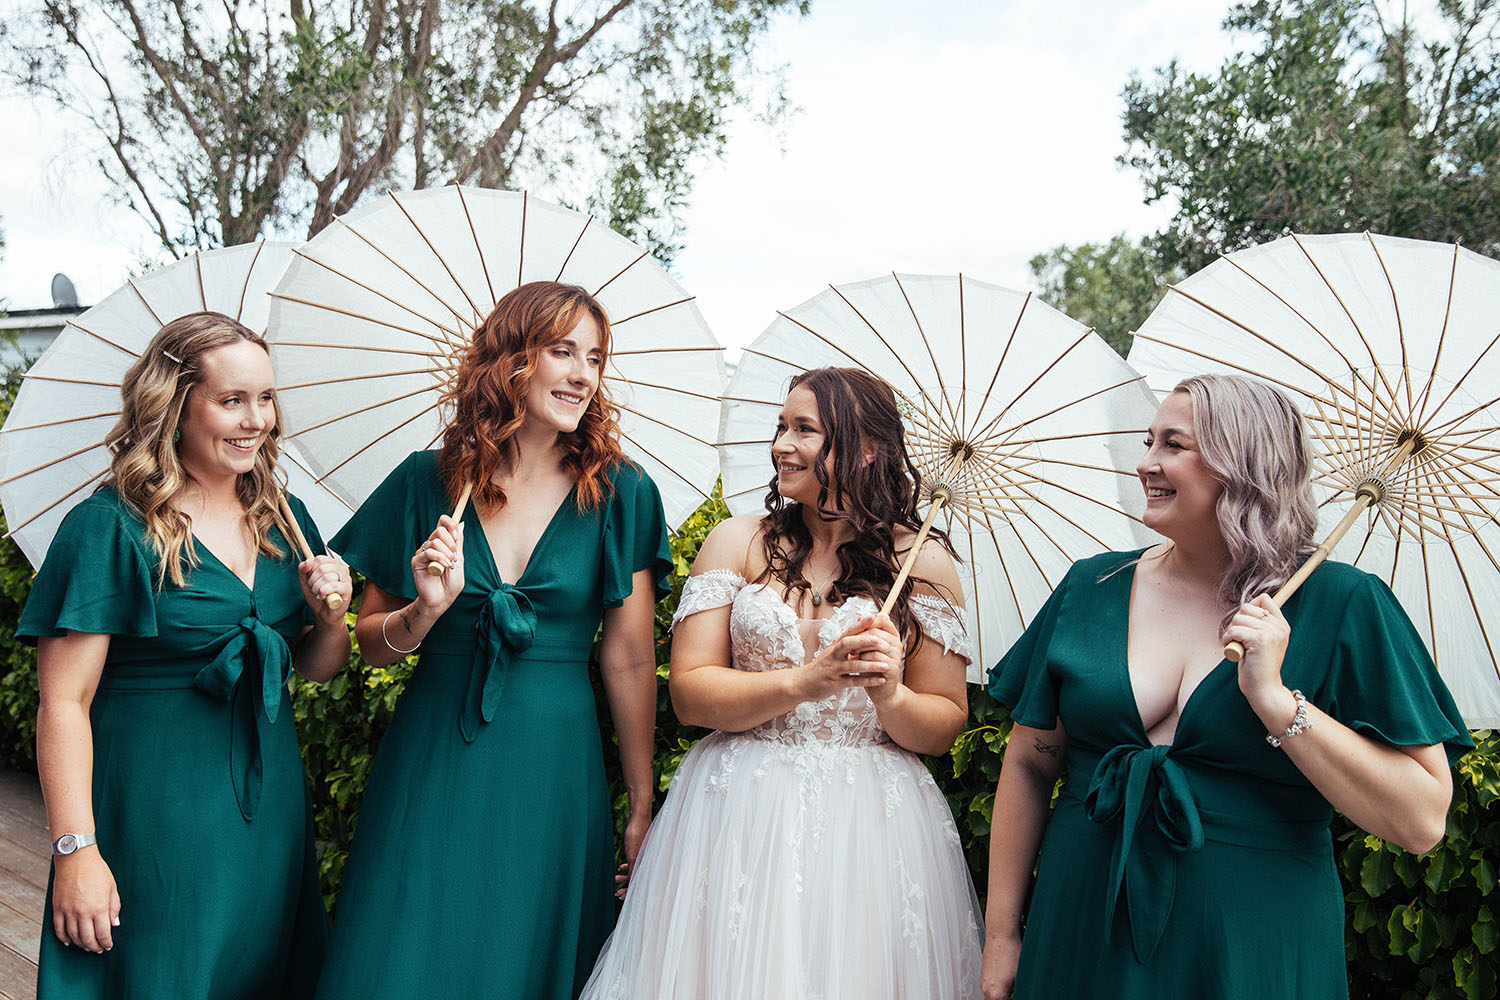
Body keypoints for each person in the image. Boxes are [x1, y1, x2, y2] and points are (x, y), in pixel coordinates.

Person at [980, 373, 1472, 1000]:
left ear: (1242, 466)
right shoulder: (1090, 587)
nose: (1145, 463)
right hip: (1082, 923)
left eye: (1172, 445)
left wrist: (1274, 699)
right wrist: (1002, 934)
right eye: (1147, 440)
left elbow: (1422, 819)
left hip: (1253, 941)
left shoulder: (1343, 604)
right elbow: (1027, 762)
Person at [314, 281, 670, 999]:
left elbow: (629, 657)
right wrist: (425, 609)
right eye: (562, 351)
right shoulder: (426, 480)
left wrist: (640, 804)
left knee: (527, 952)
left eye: (595, 359)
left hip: (556, 765)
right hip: (435, 752)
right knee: (404, 945)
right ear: (511, 361)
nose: (581, 375)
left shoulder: (622, 492)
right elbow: (371, 644)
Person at [581, 367, 983, 1000]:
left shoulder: (924, 564)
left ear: (867, 448)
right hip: (735, 811)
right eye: (780, 426)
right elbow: (689, 694)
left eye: (805, 430)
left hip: (869, 829)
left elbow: (942, 726)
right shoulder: (738, 542)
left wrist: (891, 694)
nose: (781, 445)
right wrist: (807, 680)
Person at [20, 312, 351, 999]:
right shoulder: (110, 527)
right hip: (152, 810)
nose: (255, 419)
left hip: (265, 812)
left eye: (265, 398)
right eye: (232, 400)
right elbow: (64, 703)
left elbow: (319, 666)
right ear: (174, 405)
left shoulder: (282, 518)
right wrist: (75, 850)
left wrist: (331, 618)